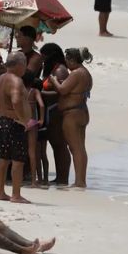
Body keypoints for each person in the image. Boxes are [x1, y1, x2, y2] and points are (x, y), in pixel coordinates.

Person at [47, 48, 92, 188]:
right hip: (81, 111)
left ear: (72, 60)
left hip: (72, 114)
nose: (65, 63)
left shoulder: (77, 73)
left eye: (67, 60)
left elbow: (62, 90)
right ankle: (81, 180)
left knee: (75, 148)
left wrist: (53, 80)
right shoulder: (86, 73)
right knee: (80, 147)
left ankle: (80, 181)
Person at [0, 52, 32, 203]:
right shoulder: (16, 81)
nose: (25, 68)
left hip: (3, 121)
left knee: (3, 158)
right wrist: (23, 119)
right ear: (19, 65)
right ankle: (16, 194)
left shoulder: (1, 78)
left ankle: (0, 191)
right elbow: (15, 100)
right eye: (24, 64)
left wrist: (0, 111)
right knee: (17, 160)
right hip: (15, 124)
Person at [40, 43, 71, 185]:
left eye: (44, 56)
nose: (42, 59)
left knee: (60, 145)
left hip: (57, 110)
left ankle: (63, 177)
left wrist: (40, 94)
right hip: (49, 110)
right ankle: (60, 177)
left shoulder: (60, 71)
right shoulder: (52, 69)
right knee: (55, 144)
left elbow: (62, 93)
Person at [22, 72, 45, 187]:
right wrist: (41, 119)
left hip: (21, 122)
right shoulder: (35, 91)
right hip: (32, 122)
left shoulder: (20, 90)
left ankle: (18, 178)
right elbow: (41, 105)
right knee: (32, 152)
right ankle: (33, 181)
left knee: (20, 150)